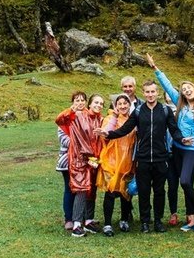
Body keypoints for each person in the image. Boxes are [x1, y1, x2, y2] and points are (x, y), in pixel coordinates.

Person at [101, 80, 182, 233]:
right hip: (143, 159)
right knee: (144, 192)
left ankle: (158, 221)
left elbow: (174, 130)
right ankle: (145, 221)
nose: (150, 95)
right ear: (143, 93)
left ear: (157, 93)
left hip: (160, 158)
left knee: (159, 192)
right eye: (147, 92)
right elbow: (125, 129)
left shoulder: (165, 111)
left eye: (153, 92)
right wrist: (109, 134)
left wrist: (182, 139)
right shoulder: (138, 111)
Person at [149, 53, 194, 232]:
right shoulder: (181, 104)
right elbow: (167, 85)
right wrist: (156, 69)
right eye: (184, 89)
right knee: (186, 184)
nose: (186, 90)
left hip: (191, 150)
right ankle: (191, 218)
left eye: (189, 88)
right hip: (176, 148)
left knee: (185, 181)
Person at [56, 91, 103, 237]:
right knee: (81, 189)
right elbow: (60, 120)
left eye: (101, 103)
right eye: (96, 102)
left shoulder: (99, 119)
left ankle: (88, 221)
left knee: (91, 191)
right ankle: (76, 223)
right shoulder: (76, 116)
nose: (98, 105)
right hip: (79, 159)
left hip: (93, 161)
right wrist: (72, 109)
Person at [98, 94, 136, 236]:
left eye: (125, 103)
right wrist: (113, 119)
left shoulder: (133, 120)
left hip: (127, 160)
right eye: (119, 104)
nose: (122, 106)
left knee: (125, 192)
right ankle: (107, 224)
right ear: (115, 105)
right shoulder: (109, 119)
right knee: (111, 191)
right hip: (112, 160)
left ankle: (124, 220)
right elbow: (105, 134)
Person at [56, 125, 73, 230]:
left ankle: (80, 217)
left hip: (83, 160)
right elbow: (66, 141)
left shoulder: (85, 117)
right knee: (70, 189)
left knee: (82, 191)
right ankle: (69, 218)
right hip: (67, 161)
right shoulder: (64, 123)